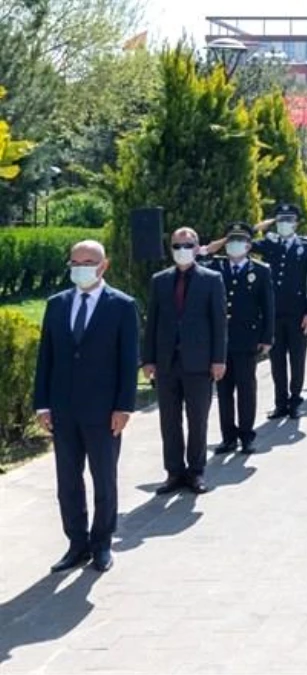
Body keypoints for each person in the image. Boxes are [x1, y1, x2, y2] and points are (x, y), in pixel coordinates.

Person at [34, 240, 139, 573]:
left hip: (104, 411)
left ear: (103, 265)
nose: (80, 267)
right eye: (75, 261)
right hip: (64, 410)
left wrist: (124, 407)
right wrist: (42, 405)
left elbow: (127, 361)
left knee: (103, 478)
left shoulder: (122, 306)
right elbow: (46, 358)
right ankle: (76, 543)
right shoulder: (57, 304)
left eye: (88, 261)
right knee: (68, 480)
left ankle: (102, 543)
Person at [143, 227, 227, 496]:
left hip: (199, 362)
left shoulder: (211, 279)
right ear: (171, 249)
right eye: (177, 246)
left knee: (197, 418)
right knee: (169, 420)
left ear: (197, 246)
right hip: (168, 362)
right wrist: (148, 359)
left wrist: (218, 359)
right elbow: (152, 322)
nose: (183, 250)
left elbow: (218, 323)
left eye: (188, 245)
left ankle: (196, 471)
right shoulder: (160, 280)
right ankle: (174, 472)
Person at [250, 203, 307, 419]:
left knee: (297, 358)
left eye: (288, 220)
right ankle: (280, 402)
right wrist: (258, 227)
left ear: (296, 223)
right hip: (273, 313)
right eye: (280, 220)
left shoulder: (306, 247)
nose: (284, 224)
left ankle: (295, 401)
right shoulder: (270, 244)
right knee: (277, 360)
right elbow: (244, 242)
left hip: (298, 313)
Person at [209, 224, 274, 454]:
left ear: (248, 245)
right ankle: (228, 437)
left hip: (247, 339)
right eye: (230, 241)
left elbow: (268, 307)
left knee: (246, 389)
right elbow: (199, 254)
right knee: (224, 391)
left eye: (239, 241)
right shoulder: (215, 268)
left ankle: (246, 435)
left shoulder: (261, 270)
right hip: (221, 341)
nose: (233, 245)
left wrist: (267, 337)